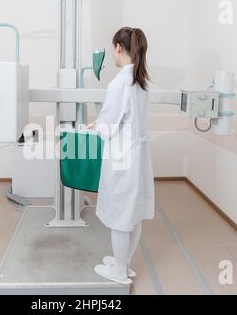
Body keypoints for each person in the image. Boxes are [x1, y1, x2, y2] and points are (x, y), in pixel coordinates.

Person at [88, 27, 155, 285]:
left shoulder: (119, 83)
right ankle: (123, 264)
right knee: (133, 212)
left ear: (118, 48)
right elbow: (126, 120)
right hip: (139, 156)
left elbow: (109, 125)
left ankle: (118, 273)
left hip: (123, 157)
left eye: (113, 49)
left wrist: (95, 128)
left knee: (120, 216)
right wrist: (102, 124)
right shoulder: (141, 81)